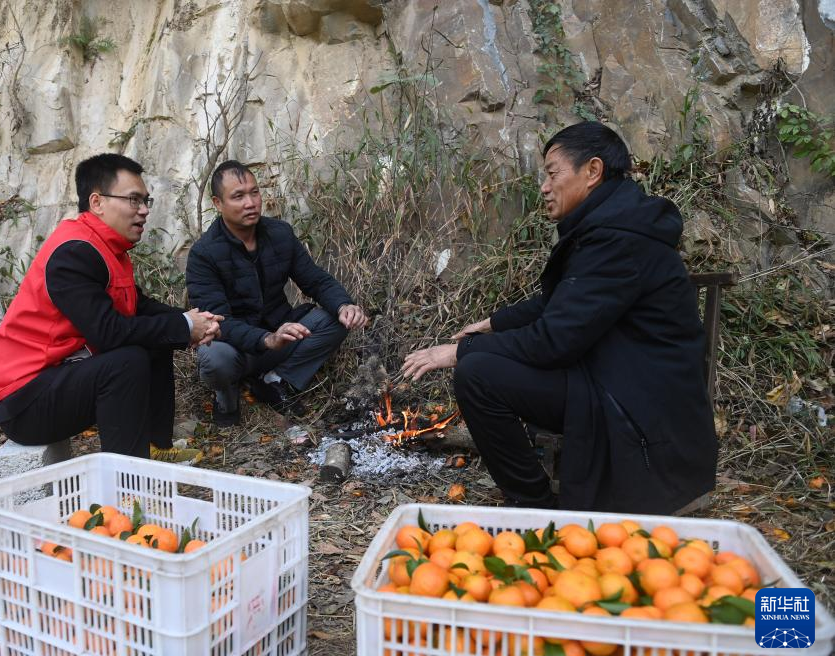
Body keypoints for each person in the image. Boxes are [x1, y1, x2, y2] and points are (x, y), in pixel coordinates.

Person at [401, 121, 717, 514]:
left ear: (593, 171)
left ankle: (532, 505)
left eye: (553, 173)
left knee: (478, 372)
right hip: (614, 375)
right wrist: (494, 322)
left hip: (636, 401)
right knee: (481, 362)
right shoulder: (614, 226)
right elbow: (563, 303)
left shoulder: (617, 239)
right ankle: (532, 498)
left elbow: (554, 340)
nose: (545, 187)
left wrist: (461, 350)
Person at [0, 153, 223, 458]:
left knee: (153, 343)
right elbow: (108, 334)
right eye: (134, 200)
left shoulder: (106, 247)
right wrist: (186, 327)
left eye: (146, 201)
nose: (144, 211)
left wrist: (192, 320)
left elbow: (138, 306)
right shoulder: (73, 252)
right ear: (96, 202)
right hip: (25, 401)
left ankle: (155, 450)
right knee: (127, 361)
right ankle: (128, 484)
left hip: (60, 377)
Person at [186, 160, 368, 426]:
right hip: (239, 348)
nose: (250, 202)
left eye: (254, 192)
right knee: (213, 355)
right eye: (238, 196)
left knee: (335, 319)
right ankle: (226, 394)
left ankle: (275, 380)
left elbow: (315, 280)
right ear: (217, 203)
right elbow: (215, 322)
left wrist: (344, 306)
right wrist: (266, 339)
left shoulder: (279, 233)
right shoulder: (204, 254)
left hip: (280, 339)